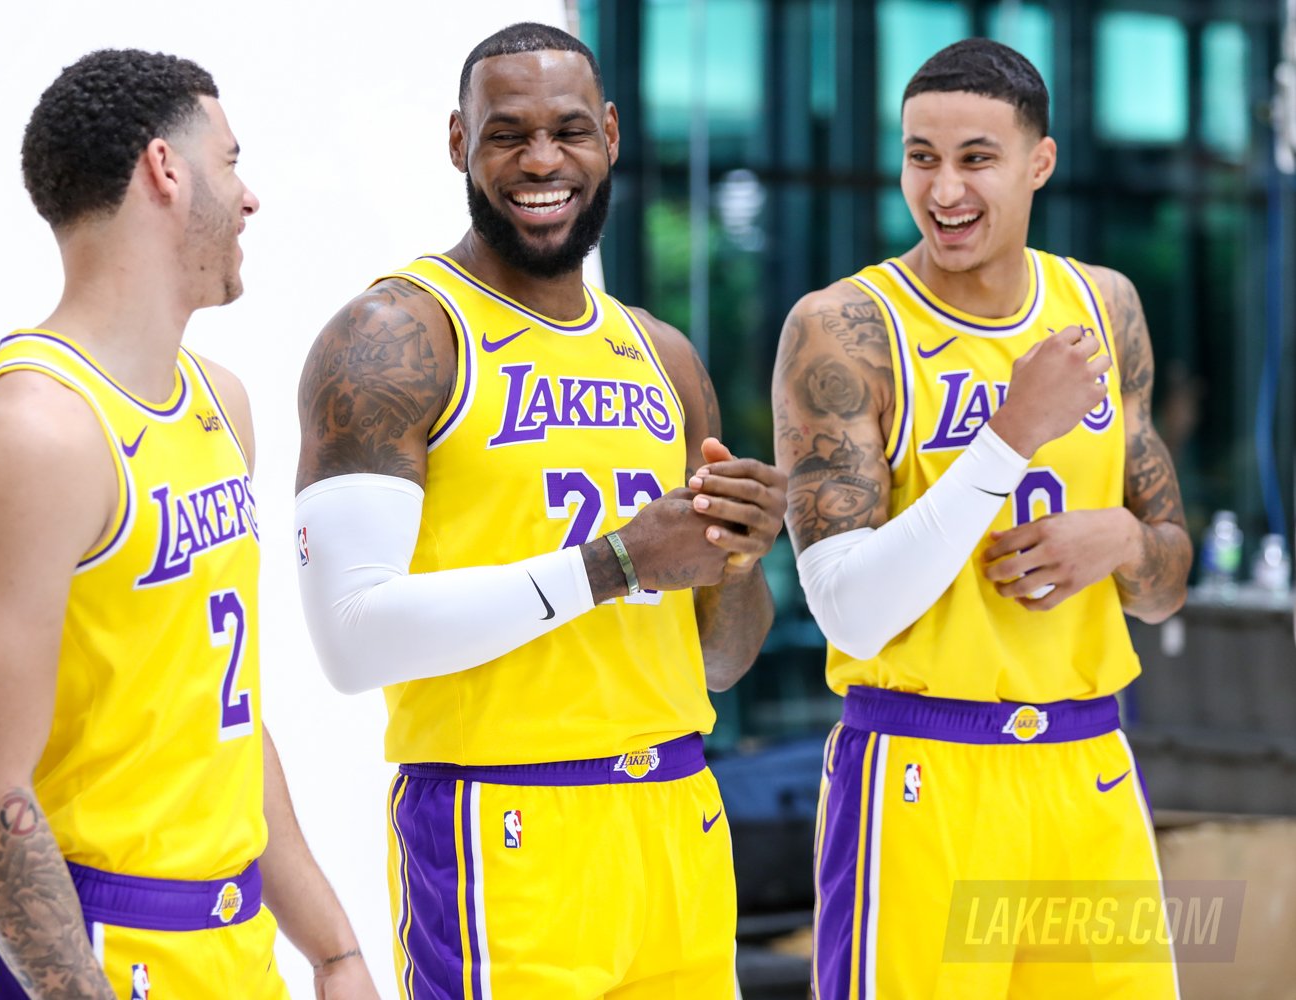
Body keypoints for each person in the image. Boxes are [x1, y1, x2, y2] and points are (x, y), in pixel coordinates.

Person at [293, 22, 785, 999]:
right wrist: (618, 562)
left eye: (568, 130)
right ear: (458, 142)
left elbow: (719, 662)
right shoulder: (395, 336)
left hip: (678, 811)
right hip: (502, 819)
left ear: (611, 135)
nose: (542, 161)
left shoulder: (663, 354)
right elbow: (351, 641)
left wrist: (740, 554)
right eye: (508, 134)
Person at [0, 49, 378, 1000]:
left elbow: (220, 716)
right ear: (164, 170)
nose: (249, 197)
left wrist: (334, 949)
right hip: (87, 947)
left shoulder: (222, 403)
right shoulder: (33, 435)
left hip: (234, 940)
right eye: (231, 161)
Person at [773, 39, 1191, 999]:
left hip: (1087, 761)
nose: (944, 189)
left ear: (1039, 163)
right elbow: (848, 612)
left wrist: (1125, 540)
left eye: (976, 158)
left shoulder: (1104, 306)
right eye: (921, 156)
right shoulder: (846, 328)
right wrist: (1011, 434)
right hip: (924, 767)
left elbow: (1167, 584)